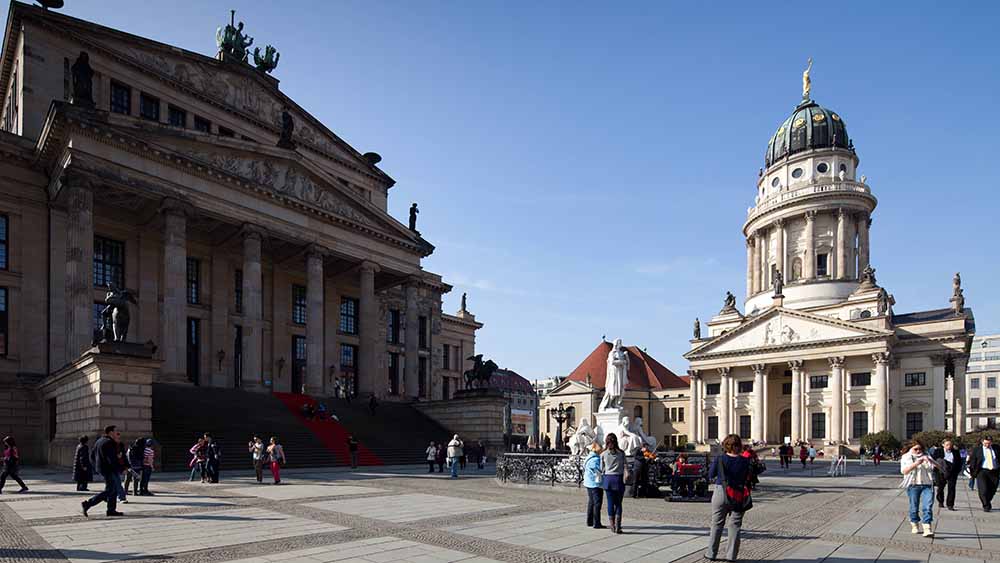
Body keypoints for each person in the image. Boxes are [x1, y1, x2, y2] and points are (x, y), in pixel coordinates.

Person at [706, 434, 752, 561]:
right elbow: (750, 477)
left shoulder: (720, 459)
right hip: (738, 493)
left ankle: (711, 554)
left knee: (716, 524)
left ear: (725, 445)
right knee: (735, 526)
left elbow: (711, 474)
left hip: (721, 491)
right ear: (739, 446)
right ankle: (731, 556)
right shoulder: (745, 461)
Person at [900, 440, 941, 536]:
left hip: (927, 484)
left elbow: (938, 466)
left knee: (928, 506)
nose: (918, 451)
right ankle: (914, 524)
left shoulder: (927, 456)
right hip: (913, 485)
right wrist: (917, 463)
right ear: (911, 449)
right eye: (916, 449)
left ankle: (927, 527)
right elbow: (904, 471)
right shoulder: (906, 457)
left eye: (920, 449)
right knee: (914, 507)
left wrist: (930, 460)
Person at [82, 425, 123, 517]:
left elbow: (92, 455)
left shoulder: (99, 441)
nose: (117, 432)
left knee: (113, 489)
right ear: (111, 432)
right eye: (116, 431)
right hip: (108, 469)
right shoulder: (109, 442)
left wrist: (96, 466)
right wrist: (120, 468)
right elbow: (111, 459)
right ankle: (88, 503)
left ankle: (111, 510)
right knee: (110, 490)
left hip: (102, 469)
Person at [601, 433, 626, 534]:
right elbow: (625, 465)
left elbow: (601, 468)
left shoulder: (603, 454)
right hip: (618, 479)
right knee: (618, 504)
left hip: (608, 479)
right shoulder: (621, 453)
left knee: (610, 503)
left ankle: (612, 525)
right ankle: (618, 526)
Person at [968, 434, 1000, 512]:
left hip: (994, 471)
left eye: (989, 443)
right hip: (982, 471)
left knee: (993, 489)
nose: (987, 445)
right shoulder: (977, 450)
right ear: (982, 442)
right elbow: (973, 461)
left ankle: (987, 500)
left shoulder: (996, 448)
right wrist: (972, 472)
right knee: (983, 489)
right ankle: (986, 505)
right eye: (985, 443)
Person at [931, 438, 963, 511]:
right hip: (941, 472)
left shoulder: (955, 452)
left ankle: (950, 504)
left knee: (951, 488)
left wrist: (957, 471)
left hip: (952, 472)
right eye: (947, 445)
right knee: (940, 487)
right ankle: (940, 501)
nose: (949, 446)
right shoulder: (938, 451)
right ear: (943, 445)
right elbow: (933, 461)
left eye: (950, 445)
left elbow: (959, 462)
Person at [583, 440, 605, 529]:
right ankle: (597, 522)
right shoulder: (596, 459)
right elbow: (597, 471)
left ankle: (589, 521)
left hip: (588, 483)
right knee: (597, 503)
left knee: (591, 502)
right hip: (595, 484)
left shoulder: (589, 457)